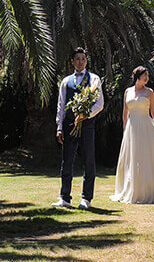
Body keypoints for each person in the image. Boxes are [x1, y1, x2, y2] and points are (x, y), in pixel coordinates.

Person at [111, 66, 154, 204]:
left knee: (146, 157)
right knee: (132, 158)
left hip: (146, 126)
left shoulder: (149, 92)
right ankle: (133, 189)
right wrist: (125, 130)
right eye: (145, 75)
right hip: (132, 128)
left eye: (148, 75)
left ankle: (149, 190)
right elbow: (125, 113)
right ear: (138, 76)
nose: (147, 78)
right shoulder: (128, 91)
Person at [52, 48, 103, 209]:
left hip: (87, 125)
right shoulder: (66, 81)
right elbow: (61, 105)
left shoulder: (94, 79)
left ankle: (86, 198)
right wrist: (59, 127)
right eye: (77, 59)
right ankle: (64, 197)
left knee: (88, 160)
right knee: (66, 161)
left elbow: (99, 103)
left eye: (83, 59)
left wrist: (86, 115)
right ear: (72, 61)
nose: (80, 61)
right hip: (68, 125)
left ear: (86, 61)